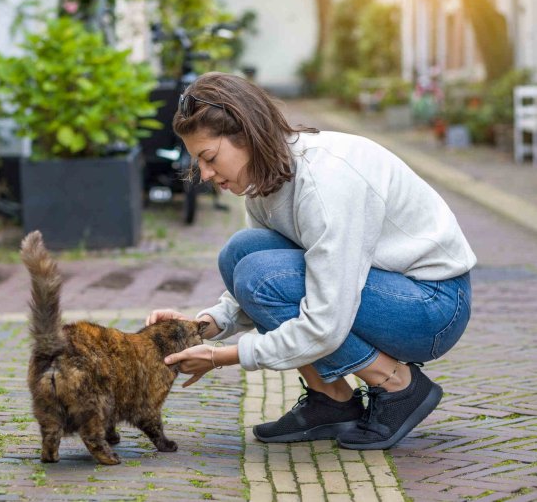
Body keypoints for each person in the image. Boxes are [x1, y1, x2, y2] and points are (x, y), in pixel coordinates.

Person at [146, 72, 475, 450]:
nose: (204, 174)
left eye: (209, 157)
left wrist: (223, 357)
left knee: (258, 273)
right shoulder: (263, 179)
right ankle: (332, 399)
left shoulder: (325, 181)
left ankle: (397, 384)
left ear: (247, 135)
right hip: (385, 290)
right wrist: (204, 326)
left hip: (433, 307)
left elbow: (324, 321)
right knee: (242, 252)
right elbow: (266, 279)